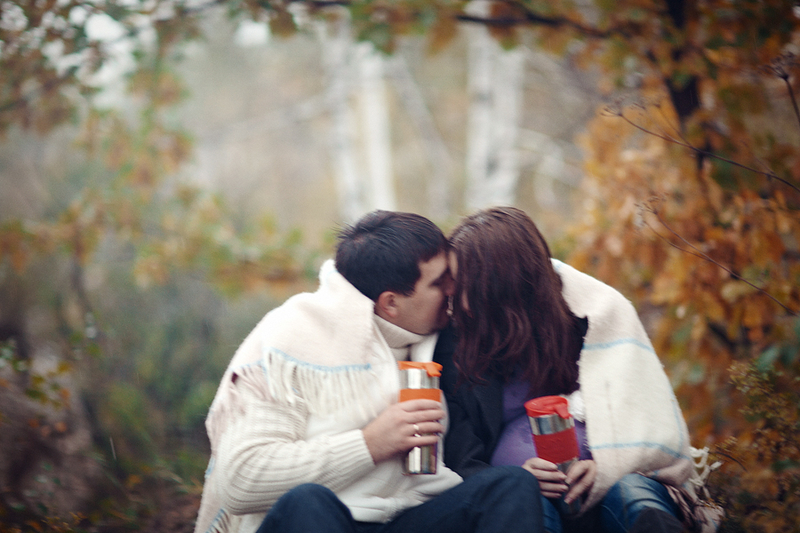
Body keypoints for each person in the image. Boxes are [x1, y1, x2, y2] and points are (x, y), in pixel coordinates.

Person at [193, 210, 545, 533]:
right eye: (440, 282)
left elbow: (540, 278)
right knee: (308, 502)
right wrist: (371, 444)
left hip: (409, 517)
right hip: (325, 521)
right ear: (391, 303)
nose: (455, 289)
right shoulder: (292, 341)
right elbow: (242, 481)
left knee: (510, 484)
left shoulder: (438, 334)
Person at [434, 207, 719, 533]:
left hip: (611, 482)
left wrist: (607, 467)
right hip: (522, 494)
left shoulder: (595, 318)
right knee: (527, 505)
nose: (449, 290)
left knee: (632, 495)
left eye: (459, 280)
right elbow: (461, 457)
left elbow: (649, 423)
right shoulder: (456, 346)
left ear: (495, 285)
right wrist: (515, 479)